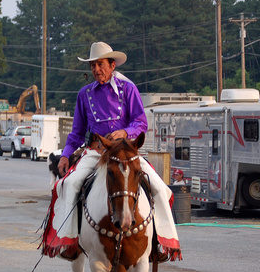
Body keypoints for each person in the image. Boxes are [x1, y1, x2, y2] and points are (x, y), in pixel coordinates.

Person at [42, 41, 181, 260]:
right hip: (96, 153)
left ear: (112, 65)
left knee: (160, 188)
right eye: (93, 66)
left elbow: (141, 122)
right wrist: (66, 154)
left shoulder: (128, 89)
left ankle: (163, 244)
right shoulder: (84, 94)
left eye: (100, 64)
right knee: (68, 184)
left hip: (125, 153)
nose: (96, 69)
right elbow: (76, 132)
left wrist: (125, 132)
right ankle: (68, 242)